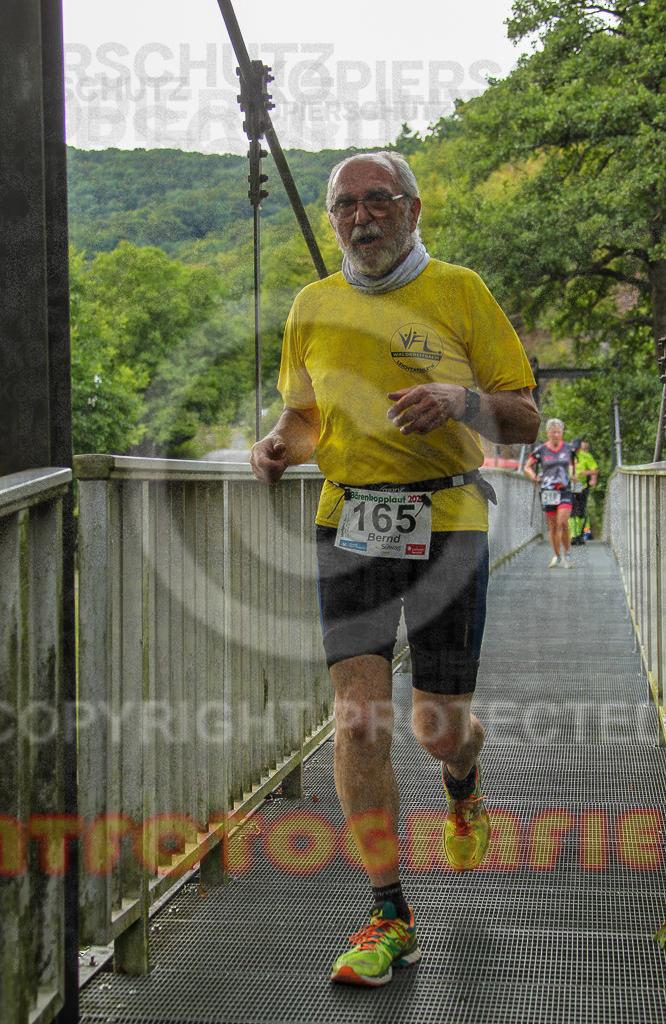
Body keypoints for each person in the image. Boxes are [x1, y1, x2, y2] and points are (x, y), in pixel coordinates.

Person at [249, 152, 540, 987]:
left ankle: (463, 778)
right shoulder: (313, 303)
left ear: (413, 210)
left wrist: (458, 401)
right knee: (359, 720)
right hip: (351, 521)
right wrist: (279, 446)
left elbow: (521, 415)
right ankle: (388, 912)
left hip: (447, 515)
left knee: (435, 727)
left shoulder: (459, 291)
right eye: (346, 205)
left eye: (379, 201)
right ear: (334, 218)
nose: (361, 217)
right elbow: (305, 415)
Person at [524, 418, 578, 568]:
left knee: (563, 521)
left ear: (562, 433)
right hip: (548, 491)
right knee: (553, 525)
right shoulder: (541, 450)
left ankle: (567, 551)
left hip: (564, 489)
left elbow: (574, 466)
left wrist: (575, 477)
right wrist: (532, 475)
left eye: (559, 432)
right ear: (548, 434)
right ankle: (557, 555)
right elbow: (527, 466)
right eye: (553, 432)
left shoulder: (569, 449)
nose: (556, 435)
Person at [569, 439, 598, 544]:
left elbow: (594, 470)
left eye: (577, 447)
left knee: (580, 511)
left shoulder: (585, 456)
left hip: (582, 486)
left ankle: (579, 535)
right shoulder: (566, 455)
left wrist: (586, 474)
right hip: (569, 486)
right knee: (571, 511)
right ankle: (573, 535)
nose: (576, 450)